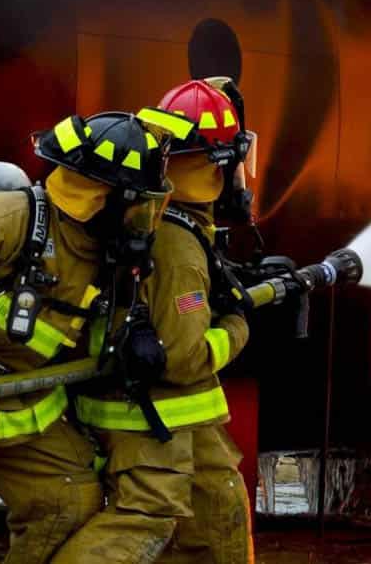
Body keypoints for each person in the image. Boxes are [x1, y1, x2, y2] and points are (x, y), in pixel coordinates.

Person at [56, 79, 255, 564]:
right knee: (144, 521)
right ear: (219, 165)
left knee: (218, 509)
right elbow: (186, 357)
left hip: (173, 417)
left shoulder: (155, 219)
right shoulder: (179, 244)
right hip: (156, 416)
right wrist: (237, 325)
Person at [0, 111, 179, 563]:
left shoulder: (107, 253)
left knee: (66, 503)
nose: (146, 219)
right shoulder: (8, 220)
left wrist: (136, 339)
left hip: (17, 413)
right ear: (106, 197)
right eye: (141, 204)